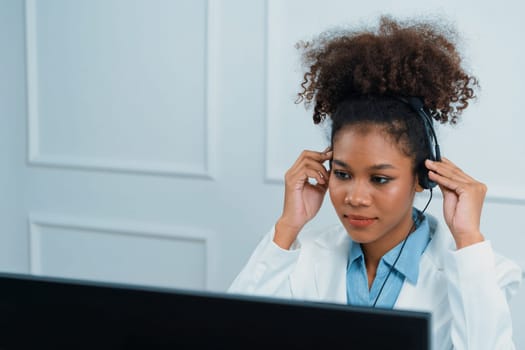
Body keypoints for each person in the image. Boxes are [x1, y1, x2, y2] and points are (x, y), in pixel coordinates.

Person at [229, 16, 523, 349]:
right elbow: (233, 334)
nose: (355, 197)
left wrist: (468, 237)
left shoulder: (484, 273)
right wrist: (287, 226)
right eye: (342, 174)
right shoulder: (302, 255)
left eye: (379, 179)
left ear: (423, 178)